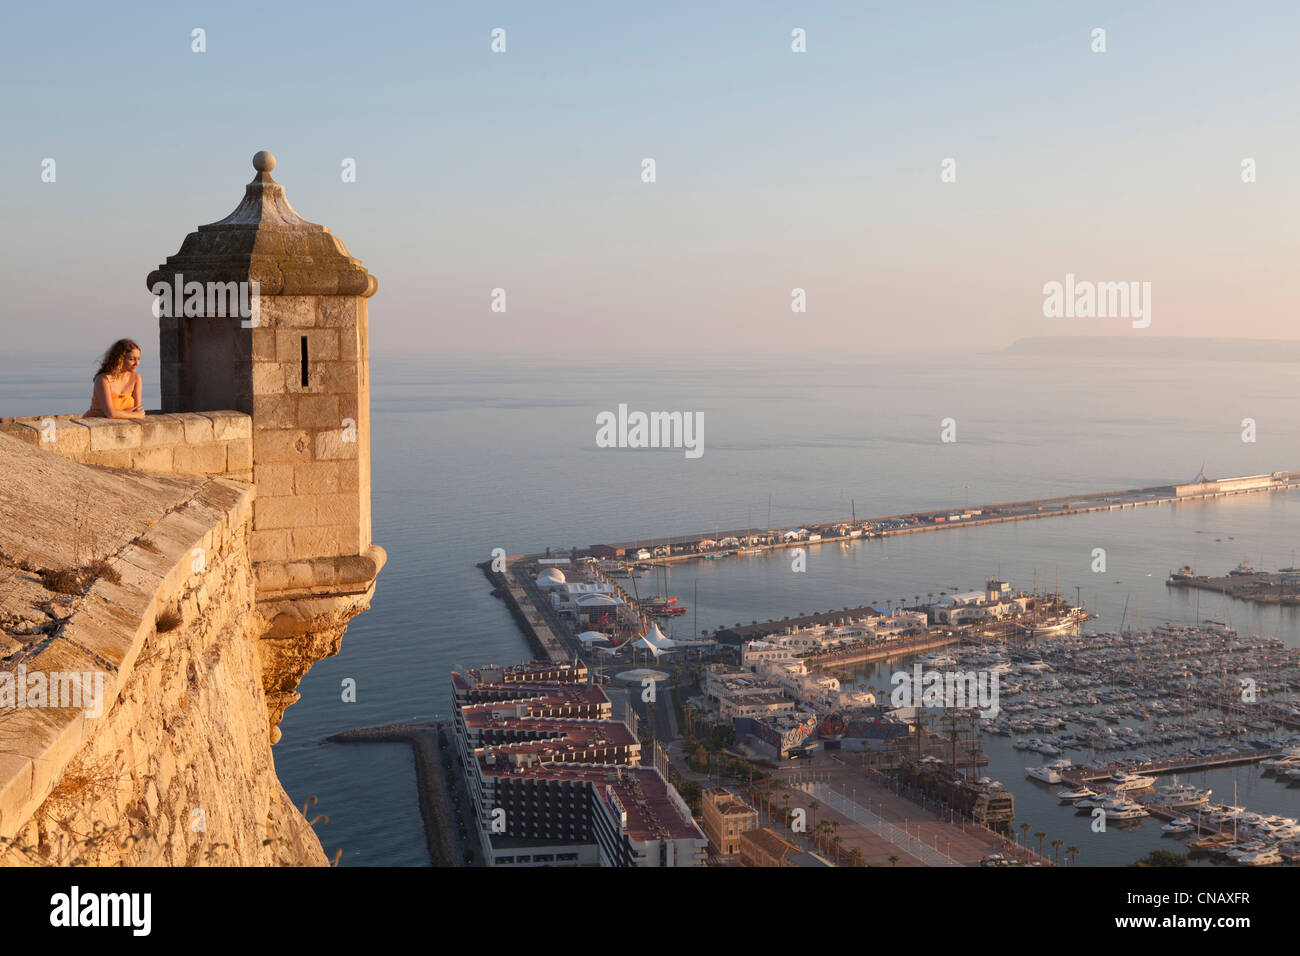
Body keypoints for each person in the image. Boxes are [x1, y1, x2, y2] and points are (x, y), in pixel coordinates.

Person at [85, 339, 145, 419]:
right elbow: (110, 414)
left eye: (138, 359)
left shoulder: (136, 378)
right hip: (95, 423)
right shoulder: (103, 379)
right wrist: (134, 414)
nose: (137, 363)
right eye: (131, 359)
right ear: (119, 359)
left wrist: (117, 413)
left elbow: (137, 410)